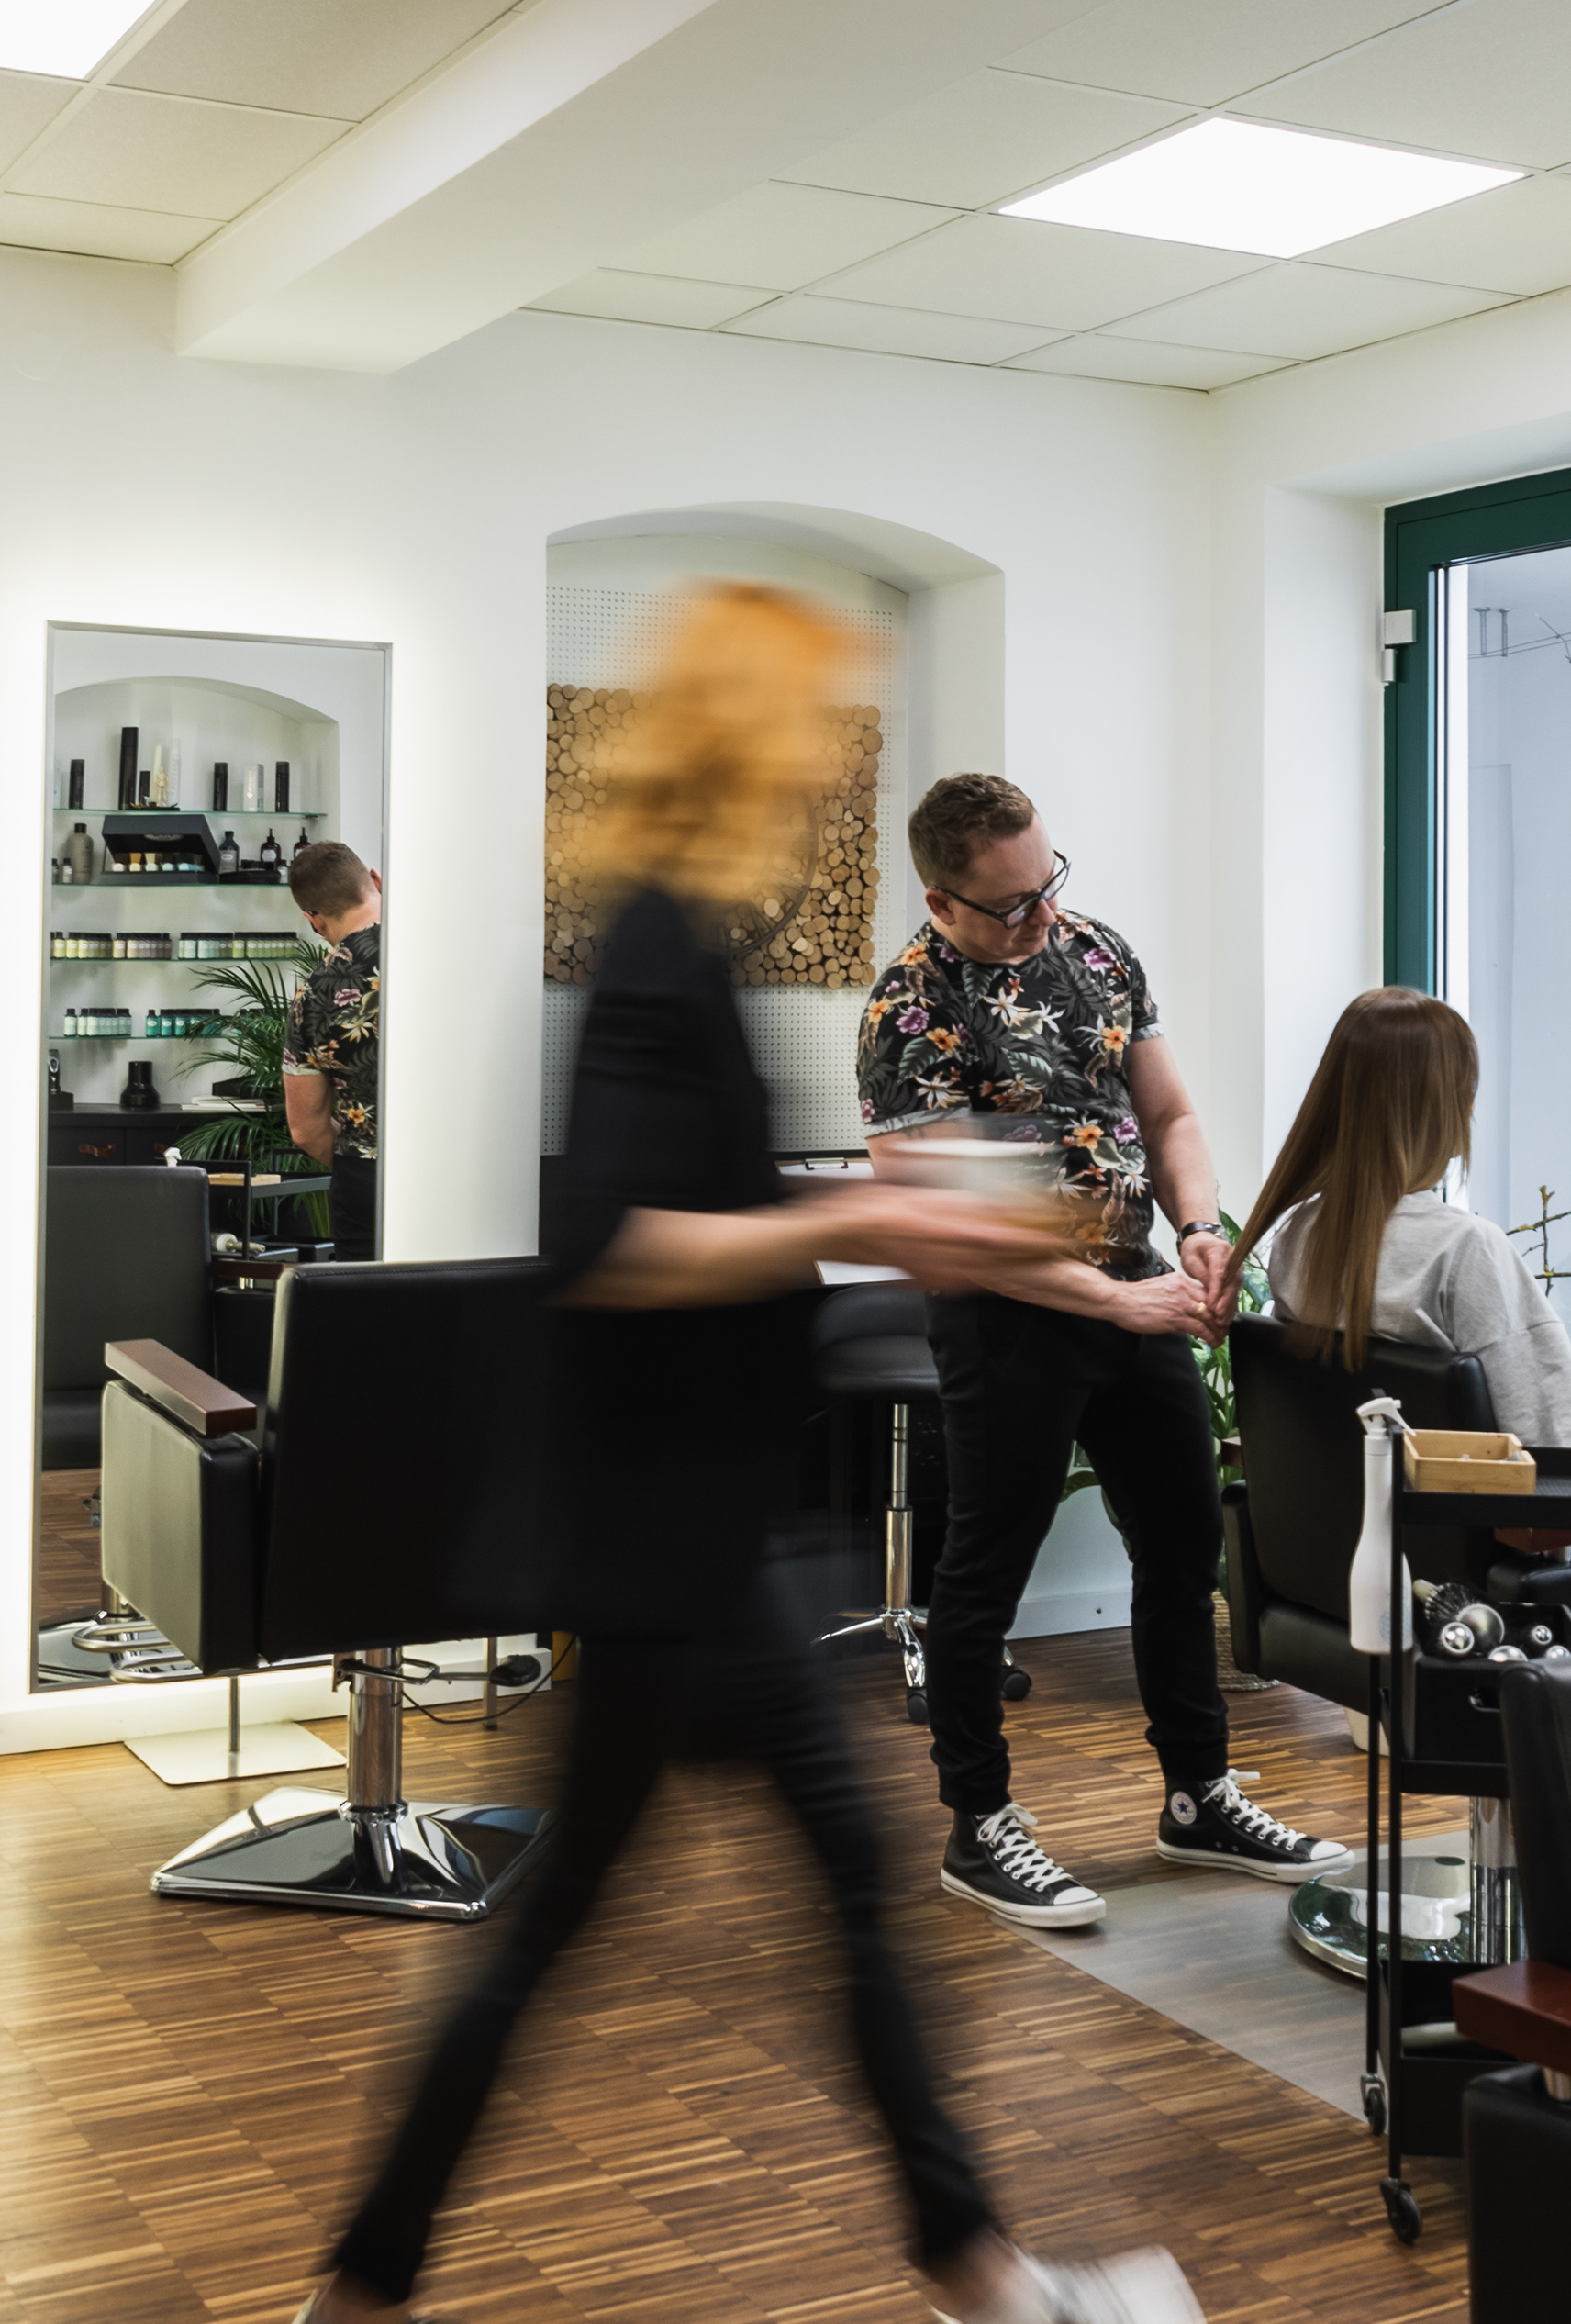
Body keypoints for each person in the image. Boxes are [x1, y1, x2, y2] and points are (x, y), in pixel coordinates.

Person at [293, 587, 1201, 2324]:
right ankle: (986, 2283)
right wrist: (865, 1216)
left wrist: (859, 1210)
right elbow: (615, 1245)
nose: (818, 775)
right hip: (673, 1539)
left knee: (750, 1905)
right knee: (672, 1919)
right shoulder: (656, 940)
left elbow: (697, 1207)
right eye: (801, 737)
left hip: (691, 1529)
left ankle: (976, 2276)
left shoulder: (676, 932)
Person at [857, 774, 1347, 1932]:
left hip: (1139, 1293)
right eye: (1012, 904)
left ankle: (1198, 1796)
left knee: (1180, 1544)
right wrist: (1115, 1305)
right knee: (986, 1571)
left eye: (1050, 883)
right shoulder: (908, 1013)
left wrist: (1199, 1226)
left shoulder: (1097, 950)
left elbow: (1168, 1116)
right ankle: (979, 1823)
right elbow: (955, 1230)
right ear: (942, 900)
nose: (1043, 914)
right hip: (1008, 1316)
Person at [1245, 989, 1571, 1447]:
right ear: (1442, 1107)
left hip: (1356, 1492)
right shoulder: (1465, 1249)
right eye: (1466, 1090)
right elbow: (1558, 1438)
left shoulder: (1298, 1235)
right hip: (1472, 1491)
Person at [284, 842, 382, 1261]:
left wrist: (361, 1155)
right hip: (468, 1165)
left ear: (314, 919)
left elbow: (306, 1130)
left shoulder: (311, 997)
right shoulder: (444, 949)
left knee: (368, 1297)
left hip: (367, 1182)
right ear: (376, 880)